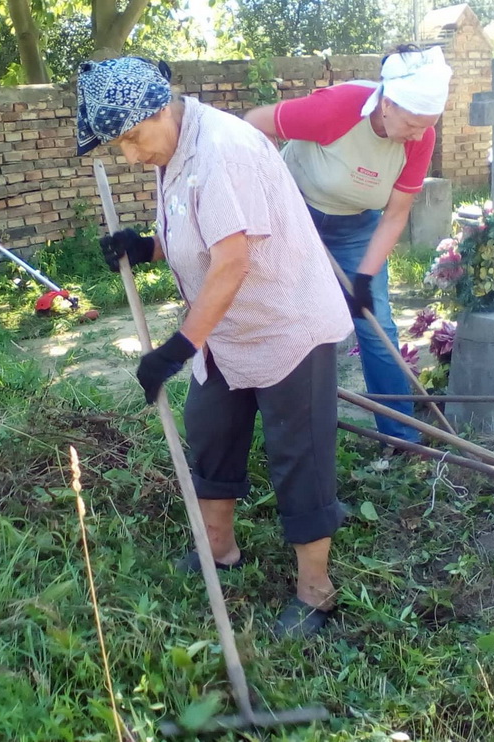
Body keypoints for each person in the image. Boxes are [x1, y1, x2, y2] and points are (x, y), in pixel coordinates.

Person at [76, 57, 352, 638]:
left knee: (299, 458)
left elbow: (233, 260)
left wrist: (176, 348)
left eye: (131, 138)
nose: (130, 155)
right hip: (227, 331)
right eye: (118, 146)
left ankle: (315, 593)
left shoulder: (221, 149)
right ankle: (219, 553)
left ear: (159, 108)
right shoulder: (175, 150)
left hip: (286, 324)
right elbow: (198, 234)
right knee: (211, 434)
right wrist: (146, 245)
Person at [245, 46, 453, 444]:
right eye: (412, 123)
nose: (418, 134)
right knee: (292, 320)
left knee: (376, 326)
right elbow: (253, 123)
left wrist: (364, 276)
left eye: (427, 126)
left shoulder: (419, 137)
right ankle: (292, 432)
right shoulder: (338, 109)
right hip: (294, 213)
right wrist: (271, 188)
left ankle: (400, 437)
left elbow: (395, 214)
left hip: (357, 225)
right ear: (388, 104)